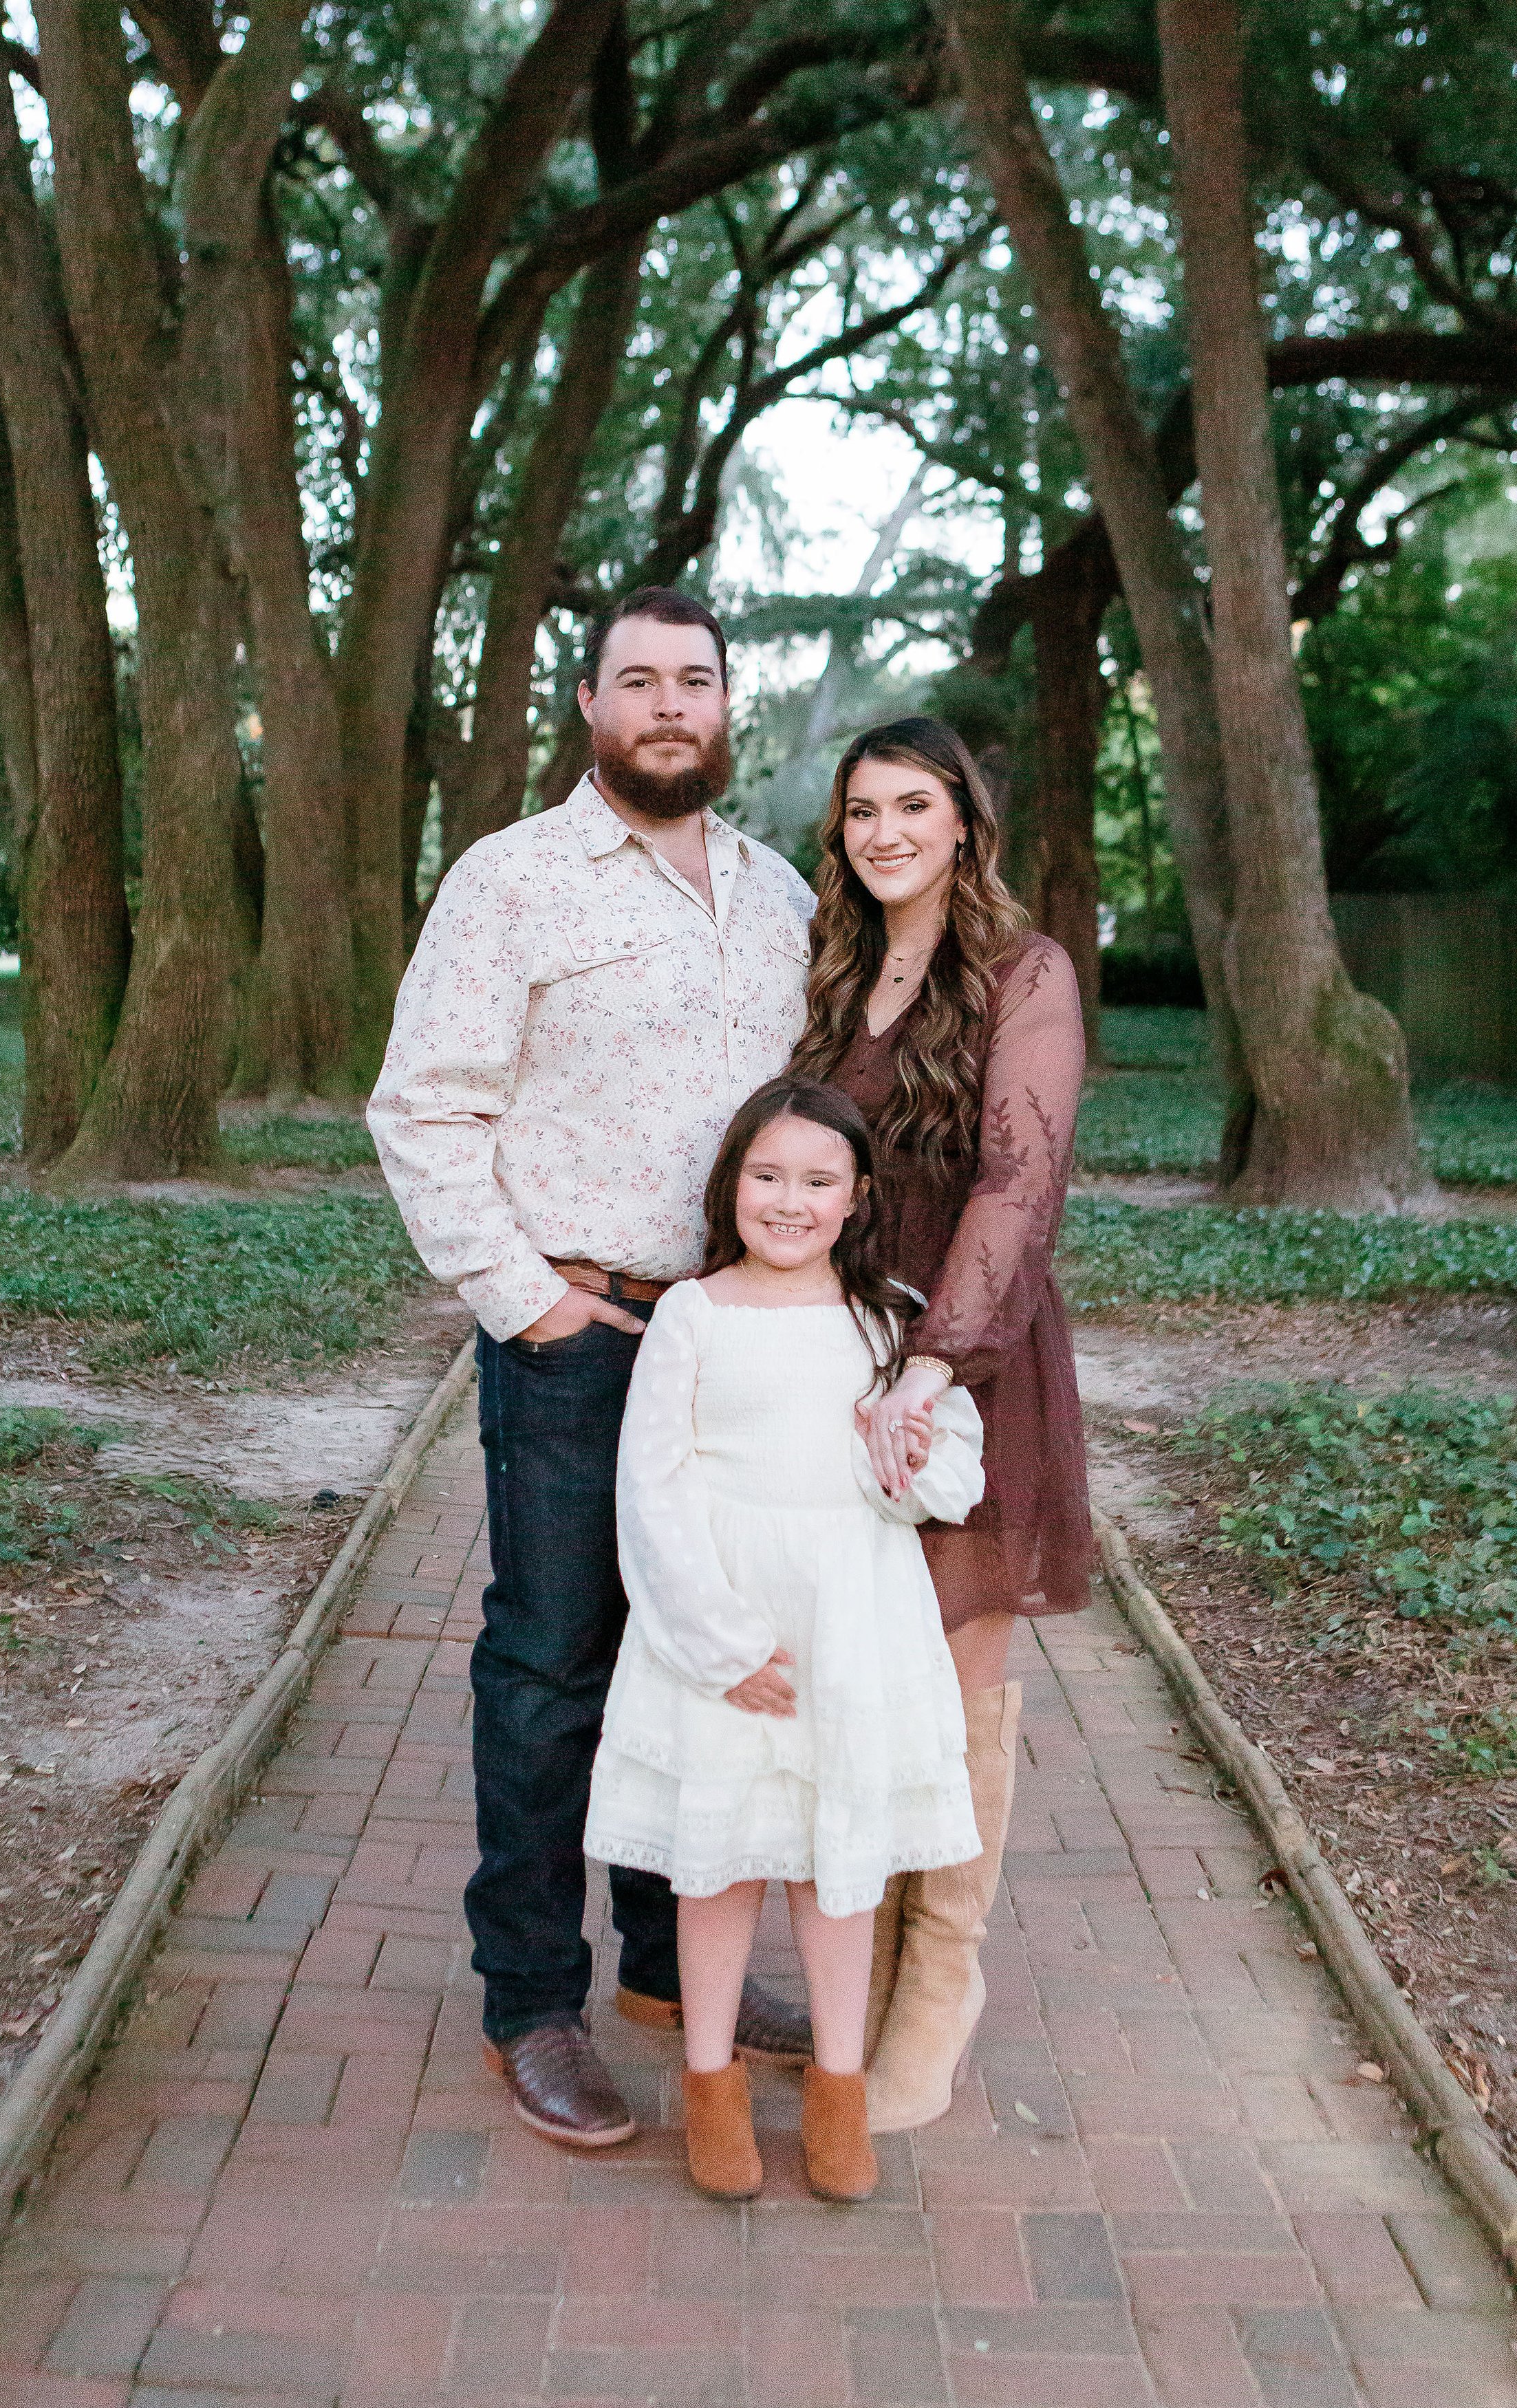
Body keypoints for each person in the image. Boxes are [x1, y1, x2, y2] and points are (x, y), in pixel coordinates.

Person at [367, 587, 817, 2150]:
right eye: (639, 680)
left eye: (694, 679)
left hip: (738, 1352)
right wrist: (522, 1301)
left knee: (699, 1659)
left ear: (723, 704)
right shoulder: (512, 882)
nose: (669, 704)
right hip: (582, 1339)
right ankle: (531, 1998)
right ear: (591, 705)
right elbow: (420, 1105)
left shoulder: (776, 895)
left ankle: (662, 1967)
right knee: (553, 1665)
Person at [584, 1078, 985, 2203]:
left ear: (858, 1199)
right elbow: (650, 1488)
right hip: (730, 1622)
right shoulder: (693, 1314)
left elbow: (950, 1467)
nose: (791, 1201)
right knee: (721, 1862)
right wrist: (720, 1644)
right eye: (768, 1176)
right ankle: (709, 2080)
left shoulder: (883, 1322)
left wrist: (894, 1451)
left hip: (849, 1620)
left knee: (835, 1855)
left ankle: (838, 2086)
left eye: (819, 1181)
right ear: (732, 1186)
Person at [791, 715, 1093, 2133]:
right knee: (866, 1653)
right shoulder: (833, 963)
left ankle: (941, 1976)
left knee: (959, 1656)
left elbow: (1016, 1177)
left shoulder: (1023, 972)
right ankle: (884, 1942)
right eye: (861, 808)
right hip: (831, 1350)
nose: (884, 830)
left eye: (912, 804)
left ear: (962, 821)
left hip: (963, 1355)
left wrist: (931, 1363)